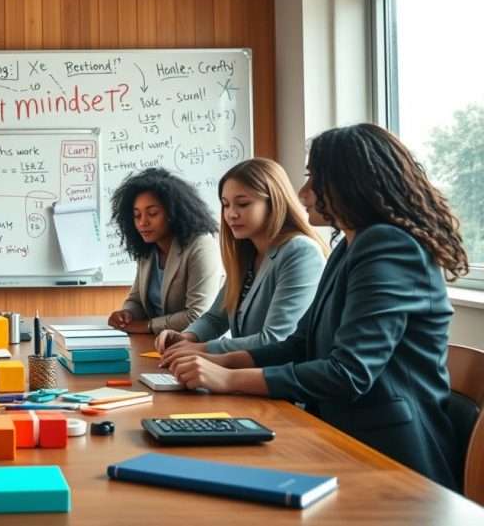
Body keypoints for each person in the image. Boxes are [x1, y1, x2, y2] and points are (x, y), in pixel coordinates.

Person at [164, 124, 468, 489]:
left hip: (390, 459)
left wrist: (228, 379)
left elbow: (348, 373)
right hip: (338, 435)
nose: (303, 194)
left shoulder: (387, 245)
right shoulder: (348, 247)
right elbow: (300, 344)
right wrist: (218, 361)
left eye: (314, 180)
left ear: (349, 183)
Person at [156, 159, 327, 358]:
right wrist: (187, 337)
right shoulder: (247, 253)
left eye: (243, 204)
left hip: (279, 381)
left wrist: (201, 350)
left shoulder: (300, 251)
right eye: (225, 205)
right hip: (248, 377)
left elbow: (276, 339)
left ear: (274, 202)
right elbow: (215, 318)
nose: (231, 214)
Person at [107, 168, 223, 334]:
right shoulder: (148, 247)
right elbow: (136, 300)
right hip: (159, 344)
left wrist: (147, 326)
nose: (142, 222)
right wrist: (127, 315)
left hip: (198, 347)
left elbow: (198, 315)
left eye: (152, 213)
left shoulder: (201, 245)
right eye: (137, 215)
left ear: (173, 212)